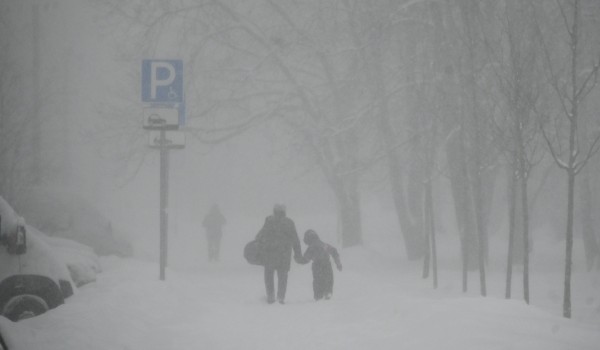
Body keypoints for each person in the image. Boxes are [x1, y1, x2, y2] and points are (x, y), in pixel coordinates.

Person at [256, 204, 302, 304]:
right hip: (284, 255)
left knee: (269, 276)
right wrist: (298, 254)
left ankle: (270, 296)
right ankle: (281, 297)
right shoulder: (289, 223)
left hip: (270, 254)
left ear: (274, 211)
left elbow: (260, 236)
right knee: (283, 277)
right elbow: (295, 240)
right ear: (284, 212)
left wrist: (257, 247)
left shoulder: (269, 221)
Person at [297, 229, 342, 301]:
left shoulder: (311, 248)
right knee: (328, 278)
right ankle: (328, 292)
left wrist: (298, 259)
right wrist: (338, 264)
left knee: (317, 280)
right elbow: (334, 252)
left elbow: (305, 259)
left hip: (316, 265)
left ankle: (318, 295)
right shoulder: (324, 245)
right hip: (326, 263)